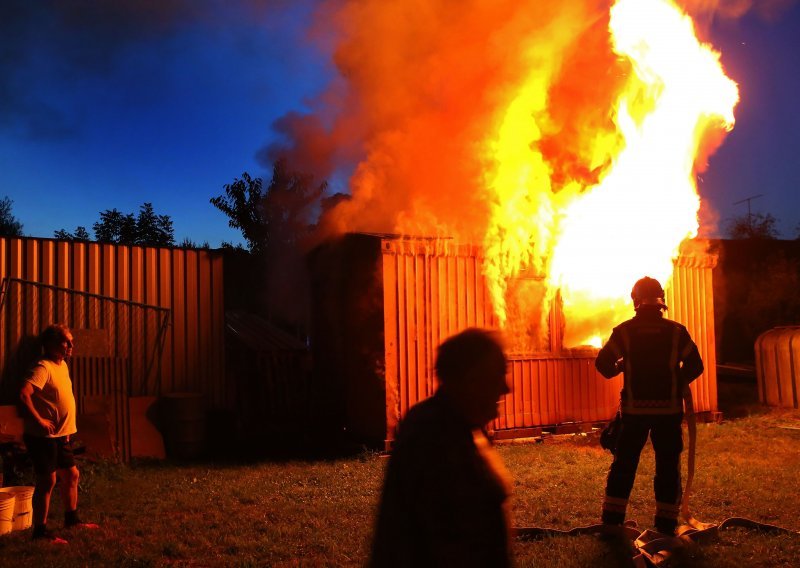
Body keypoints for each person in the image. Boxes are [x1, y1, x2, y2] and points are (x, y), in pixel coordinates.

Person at [370, 328, 513, 567]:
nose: (506, 388)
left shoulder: (465, 428)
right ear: (471, 380)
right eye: (498, 375)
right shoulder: (433, 438)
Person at [595, 277, 704, 536]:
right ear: (661, 300)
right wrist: (677, 381)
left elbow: (603, 365)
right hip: (668, 413)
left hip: (634, 414)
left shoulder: (624, 332)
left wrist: (621, 366)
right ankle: (665, 525)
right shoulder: (677, 332)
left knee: (624, 465)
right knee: (667, 466)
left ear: (635, 301)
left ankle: (612, 521)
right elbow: (695, 366)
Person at [19, 324, 96, 543]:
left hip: (61, 436)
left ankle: (72, 520)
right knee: (47, 481)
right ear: (50, 344)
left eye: (71, 341)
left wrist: (67, 430)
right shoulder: (43, 367)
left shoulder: (61, 365)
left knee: (71, 475)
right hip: (43, 438)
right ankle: (40, 533)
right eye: (66, 342)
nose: (71, 346)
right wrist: (40, 420)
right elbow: (25, 394)